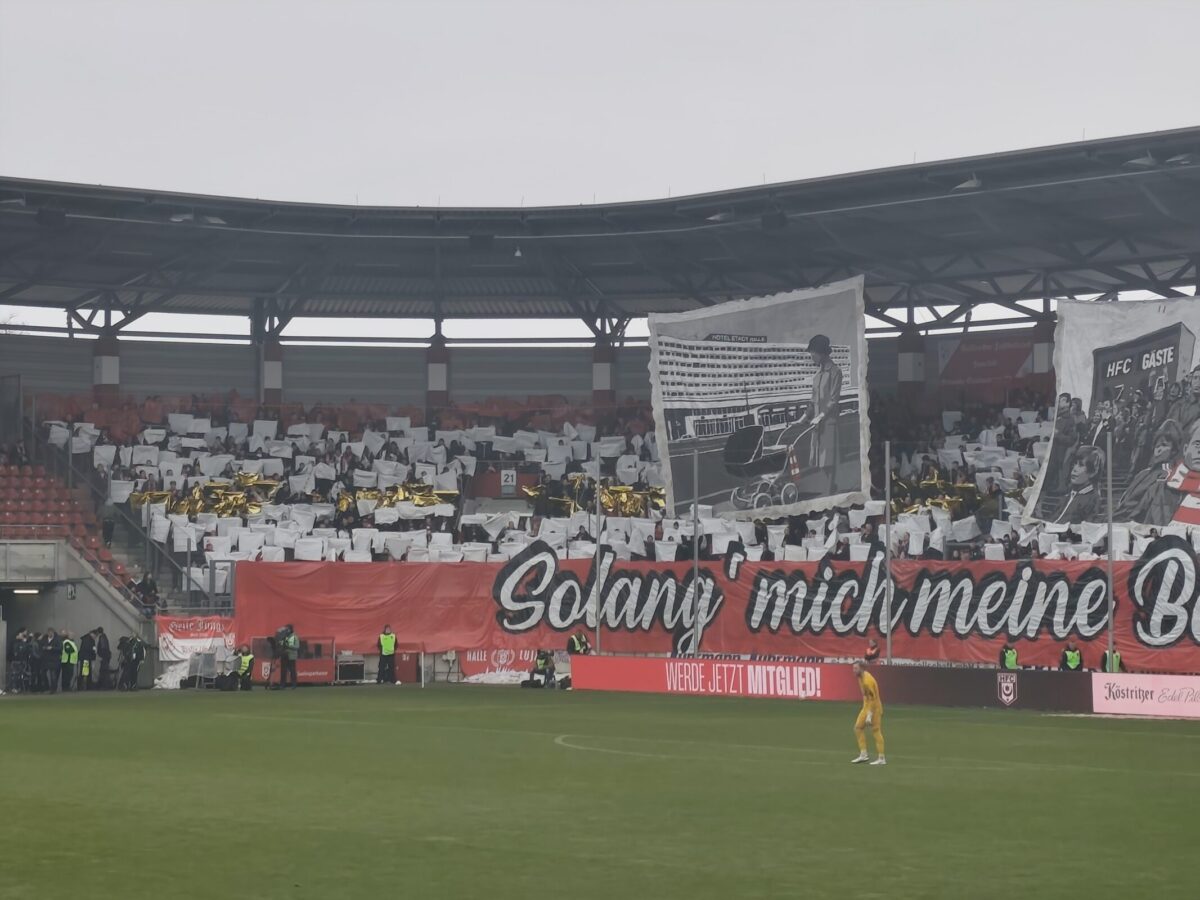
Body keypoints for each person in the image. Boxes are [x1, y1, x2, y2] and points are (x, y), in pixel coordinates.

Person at [807, 334, 843, 492]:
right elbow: (812, 400)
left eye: (813, 353)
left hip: (828, 422)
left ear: (821, 352)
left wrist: (821, 416)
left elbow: (834, 399)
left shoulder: (835, 372)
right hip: (817, 424)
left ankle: (830, 489)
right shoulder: (817, 376)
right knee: (819, 459)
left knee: (828, 459)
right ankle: (830, 486)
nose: (811, 356)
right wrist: (803, 417)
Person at [850, 660, 885, 766]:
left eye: (855, 668)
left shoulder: (867, 681)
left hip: (874, 708)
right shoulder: (861, 677)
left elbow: (873, 699)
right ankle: (864, 754)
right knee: (858, 728)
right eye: (853, 668)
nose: (853, 670)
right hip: (866, 706)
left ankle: (881, 758)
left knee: (876, 731)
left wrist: (869, 715)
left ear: (861, 668)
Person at [278, 624, 300, 689]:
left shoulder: (294, 636)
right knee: (283, 671)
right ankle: (282, 685)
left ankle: (294, 684)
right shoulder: (284, 636)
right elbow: (281, 644)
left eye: (287, 629)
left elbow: (297, 646)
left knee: (292, 671)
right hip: (284, 655)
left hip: (291, 656)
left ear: (290, 629)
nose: (286, 630)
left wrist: (288, 645)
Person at [43, 629, 62, 694]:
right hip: (46, 659)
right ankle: (47, 688)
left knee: (53, 674)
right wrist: (44, 648)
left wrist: (52, 648)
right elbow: (41, 646)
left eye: (51, 633)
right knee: (45, 674)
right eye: (48, 633)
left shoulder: (57, 640)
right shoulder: (45, 639)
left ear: (53, 633)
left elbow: (60, 648)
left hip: (54, 659)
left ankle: (53, 689)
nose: (49, 634)